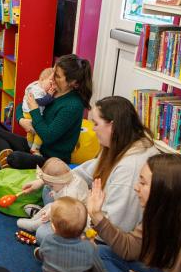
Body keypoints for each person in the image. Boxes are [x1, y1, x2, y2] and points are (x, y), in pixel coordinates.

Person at [37, 96, 158, 244]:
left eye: (95, 123)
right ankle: (49, 215)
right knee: (48, 187)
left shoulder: (130, 168)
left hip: (104, 232)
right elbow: (88, 170)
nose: (93, 129)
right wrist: (48, 179)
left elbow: (114, 227)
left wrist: (70, 214)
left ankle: (48, 218)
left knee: (43, 233)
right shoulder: (123, 143)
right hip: (94, 206)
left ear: (111, 126)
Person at [0, 54, 92, 169]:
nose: (51, 78)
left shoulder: (73, 105)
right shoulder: (51, 90)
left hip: (51, 157)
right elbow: (22, 105)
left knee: (15, 158)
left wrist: (34, 110)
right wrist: (21, 120)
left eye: (57, 76)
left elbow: (48, 136)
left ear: (74, 83)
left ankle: (4, 155)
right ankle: (6, 157)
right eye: (53, 71)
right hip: (33, 145)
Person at [31, 197, 109, 272]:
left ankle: (40, 253)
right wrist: (93, 249)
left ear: (53, 227)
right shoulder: (89, 248)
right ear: (84, 227)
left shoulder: (47, 240)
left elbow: (43, 255)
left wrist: (40, 254)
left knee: (43, 254)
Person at [17, 157, 89, 233]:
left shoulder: (70, 193)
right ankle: (34, 218)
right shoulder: (70, 177)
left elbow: (62, 207)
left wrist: (49, 214)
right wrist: (55, 192)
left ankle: (33, 226)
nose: (51, 188)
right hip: (69, 205)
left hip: (75, 219)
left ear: (61, 181)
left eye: (52, 186)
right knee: (49, 200)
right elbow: (60, 191)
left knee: (48, 214)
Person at [21, 67, 56, 154]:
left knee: (30, 132)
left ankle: (28, 145)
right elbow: (42, 102)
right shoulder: (38, 90)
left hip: (26, 113)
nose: (52, 87)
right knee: (39, 133)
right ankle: (35, 148)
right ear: (42, 80)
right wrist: (50, 96)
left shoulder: (34, 85)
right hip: (30, 114)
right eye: (50, 83)